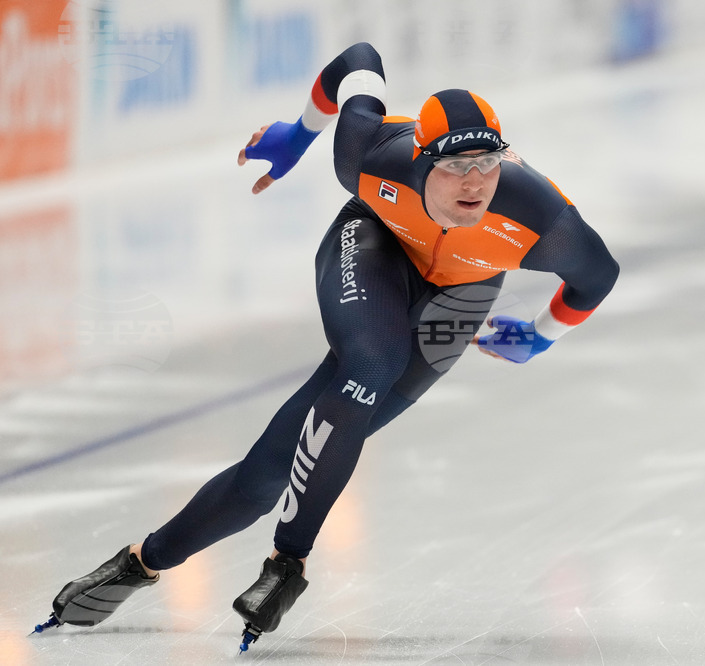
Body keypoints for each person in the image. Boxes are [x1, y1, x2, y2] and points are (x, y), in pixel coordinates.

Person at [37, 42, 619, 649]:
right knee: (374, 359)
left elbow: (597, 277)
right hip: (375, 241)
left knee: (270, 475)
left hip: (462, 295)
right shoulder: (368, 156)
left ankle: (142, 560)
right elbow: (359, 59)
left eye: (487, 164)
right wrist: (300, 134)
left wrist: (542, 337)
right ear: (421, 161)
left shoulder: (542, 221)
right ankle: (288, 563)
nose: (475, 183)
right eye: (454, 166)